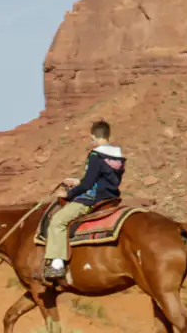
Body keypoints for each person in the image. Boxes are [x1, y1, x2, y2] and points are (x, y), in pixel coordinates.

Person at [41, 120, 125, 282]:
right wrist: (77, 181)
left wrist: (69, 194)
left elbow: (87, 185)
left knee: (58, 221)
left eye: (90, 138)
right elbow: (102, 179)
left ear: (93, 137)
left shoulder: (96, 155)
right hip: (111, 197)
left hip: (92, 199)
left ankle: (57, 264)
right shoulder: (117, 157)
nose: (90, 141)